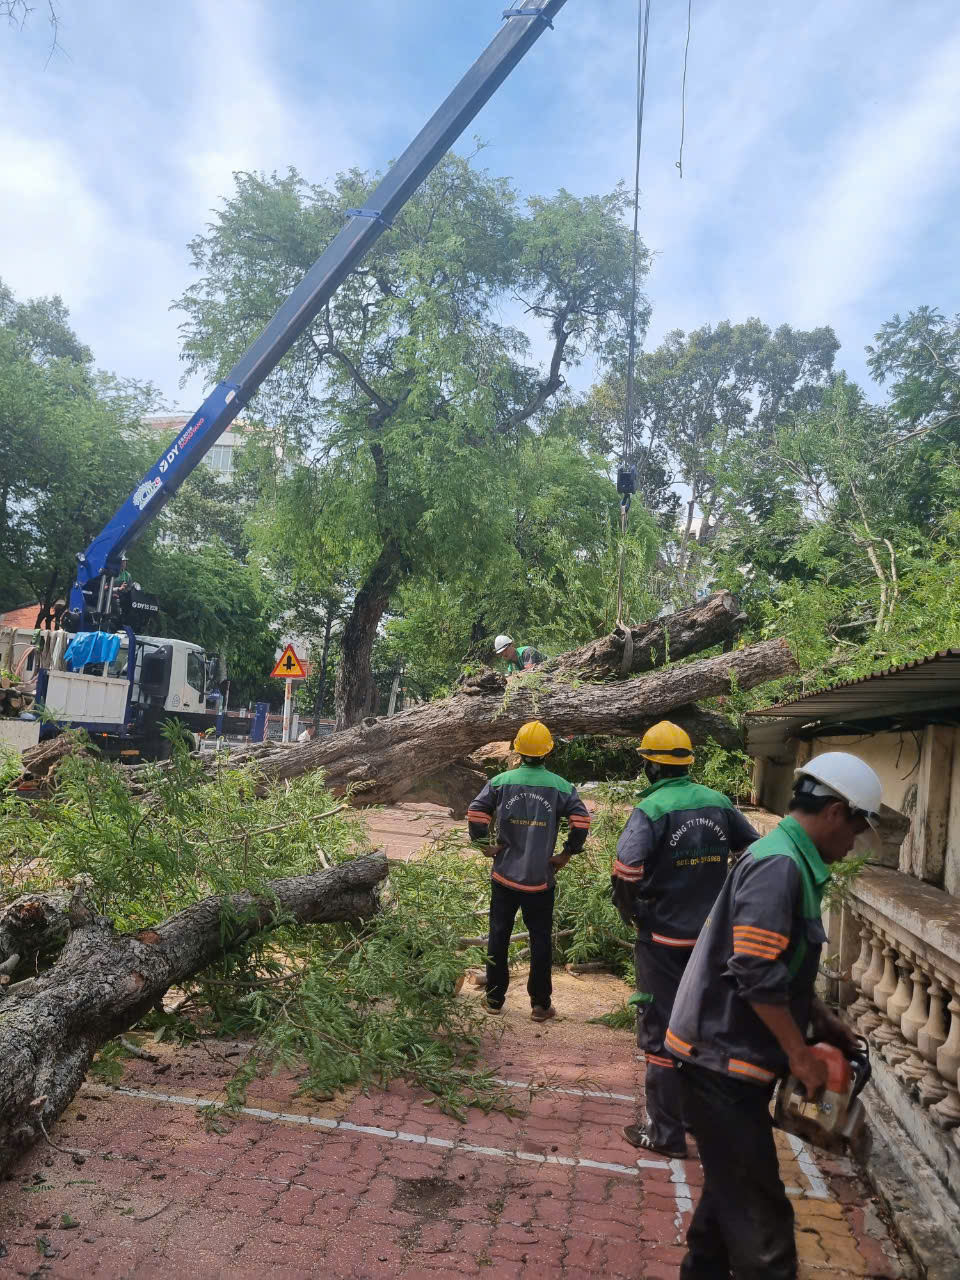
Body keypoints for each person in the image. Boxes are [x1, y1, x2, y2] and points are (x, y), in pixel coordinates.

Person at [665, 752, 883, 1280]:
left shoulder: (790, 860)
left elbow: (782, 963)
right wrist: (800, 1054)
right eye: (856, 827)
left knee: (723, 1212)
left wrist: (822, 1020)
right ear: (834, 811)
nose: (854, 842)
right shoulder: (779, 866)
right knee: (765, 1236)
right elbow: (757, 972)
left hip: (725, 1060)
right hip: (719, 1064)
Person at [612, 722, 760, 1159]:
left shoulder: (653, 809)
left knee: (660, 1032)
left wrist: (632, 912)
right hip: (712, 942)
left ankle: (665, 1134)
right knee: (705, 1028)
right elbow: (754, 851)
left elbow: (626, 871)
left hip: (662, 941)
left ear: (652, 767)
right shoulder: (718, 804)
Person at [467, 719, 590, 1021]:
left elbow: (475, 812)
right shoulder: (562, 787)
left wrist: (484, 845)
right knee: (540, 939)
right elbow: (582, 822)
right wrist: (566, 853)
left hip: (504, 876)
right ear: (548, 753)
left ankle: (495, 1000)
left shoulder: (501, 782)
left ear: (518, 751)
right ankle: (540, 1004)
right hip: (540, 880)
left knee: (498, 935)